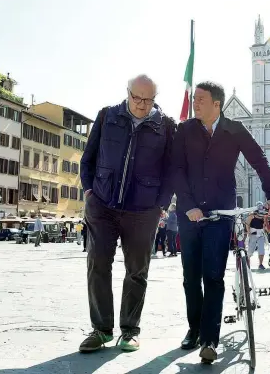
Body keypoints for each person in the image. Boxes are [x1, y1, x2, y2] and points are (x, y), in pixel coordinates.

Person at [172, 81, 270, 364]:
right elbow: (176, 169)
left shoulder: (235, 129)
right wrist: (189, 205)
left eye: (200, 99)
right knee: (190, 277)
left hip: (221, 213)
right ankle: (194, 328)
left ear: (217, 104)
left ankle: (210, 339)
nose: (194, 103)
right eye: (194, 98)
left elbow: (259, 159)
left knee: (214, 277)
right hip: (190, 213)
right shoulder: (185, 130)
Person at [78, 74, 175, 352]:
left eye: (148, 100)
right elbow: (89, 159)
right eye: (137, 98)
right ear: (127, 93)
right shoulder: (107, 116)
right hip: (103, 204)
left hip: (143, 209)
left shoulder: (165, 126)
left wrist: (161, 205)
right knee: (97, 264)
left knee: (137, 271)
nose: (142, 105)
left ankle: (130, 330)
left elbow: (171, 170)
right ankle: (101, 330)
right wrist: (89, 192)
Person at [246, 203, 267, 269]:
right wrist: (248, 232)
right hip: (253, 234)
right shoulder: (252, 215)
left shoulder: (263, 215)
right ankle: (247, 263)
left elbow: (264, 224)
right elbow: (247, 224)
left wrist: (265, 228)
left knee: (261, 250)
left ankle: (260, 264)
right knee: (250, 250)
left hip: (260, 234)